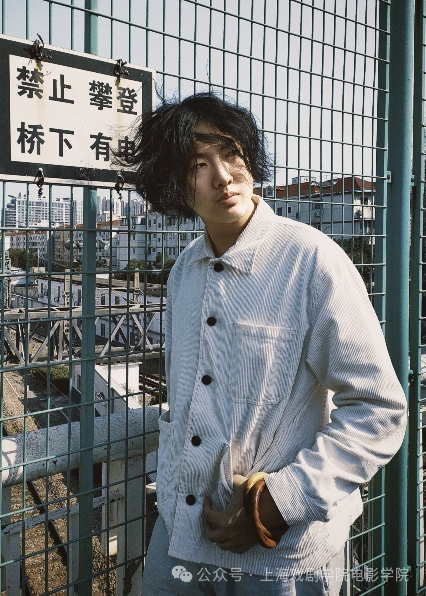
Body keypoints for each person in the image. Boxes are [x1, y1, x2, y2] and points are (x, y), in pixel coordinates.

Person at [119, 93, 407, 595]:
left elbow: (379, 410)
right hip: (180, 537)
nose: (223, 177)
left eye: (231, 154)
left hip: (281, 555)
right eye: (198, 164)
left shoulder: (312, 261)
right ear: (173, 184)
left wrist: (274, 504)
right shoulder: (184, 270)